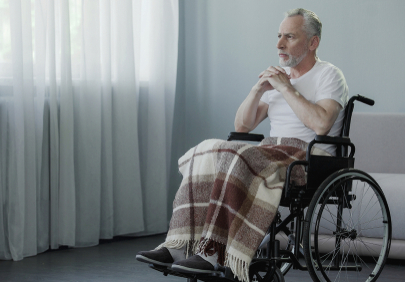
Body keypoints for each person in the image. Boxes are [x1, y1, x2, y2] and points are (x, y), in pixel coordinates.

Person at [136, 8, 348, 282]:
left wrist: (286, 88)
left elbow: (321, 124)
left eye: (290, 37)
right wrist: (257, 90)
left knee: (239, 156)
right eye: (279, 36)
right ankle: (178, 246)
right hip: (272, 151)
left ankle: (214, 253)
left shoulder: (329, 75)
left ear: (312, 42)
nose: (279, 44)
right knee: (208, 149)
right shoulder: (278, 76)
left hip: (308, 157)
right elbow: (242, 126)